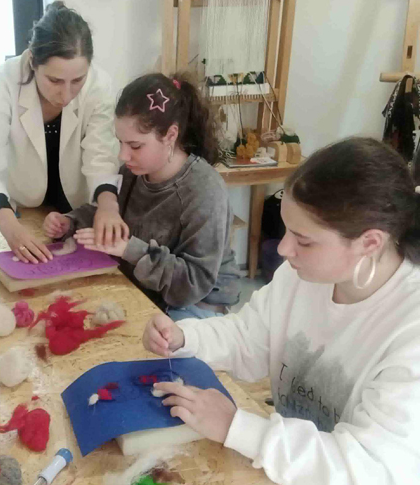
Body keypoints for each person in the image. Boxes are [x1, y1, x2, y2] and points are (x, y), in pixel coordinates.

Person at [143, 137, 420, 484]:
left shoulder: (410, 331)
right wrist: (184, 337)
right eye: (287, 230)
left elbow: (367, 468)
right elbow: (249, 338)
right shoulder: (302, 275)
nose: (284, 249)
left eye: (304, 240)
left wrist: (238, 428)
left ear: (370, 242)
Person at [44, 73, 240, 318]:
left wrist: (130, 249)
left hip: (198, 302)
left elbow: (193, 284)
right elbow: (109, 215)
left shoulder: (205, 190)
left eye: (135, 146)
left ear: (170, 135)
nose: (123, 155)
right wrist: (69, 222)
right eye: (120, 142)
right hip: (150, 290)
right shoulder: (132, 173)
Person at [0, 1, 125, 265]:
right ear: (33, 61)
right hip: (23, 206)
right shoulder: (2, 83)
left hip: (74, 207)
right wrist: (9, 226)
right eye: (54, 80)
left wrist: (109, 207)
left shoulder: (99, 85)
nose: (66, 95)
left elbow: (101, 155)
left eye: (78, 80)